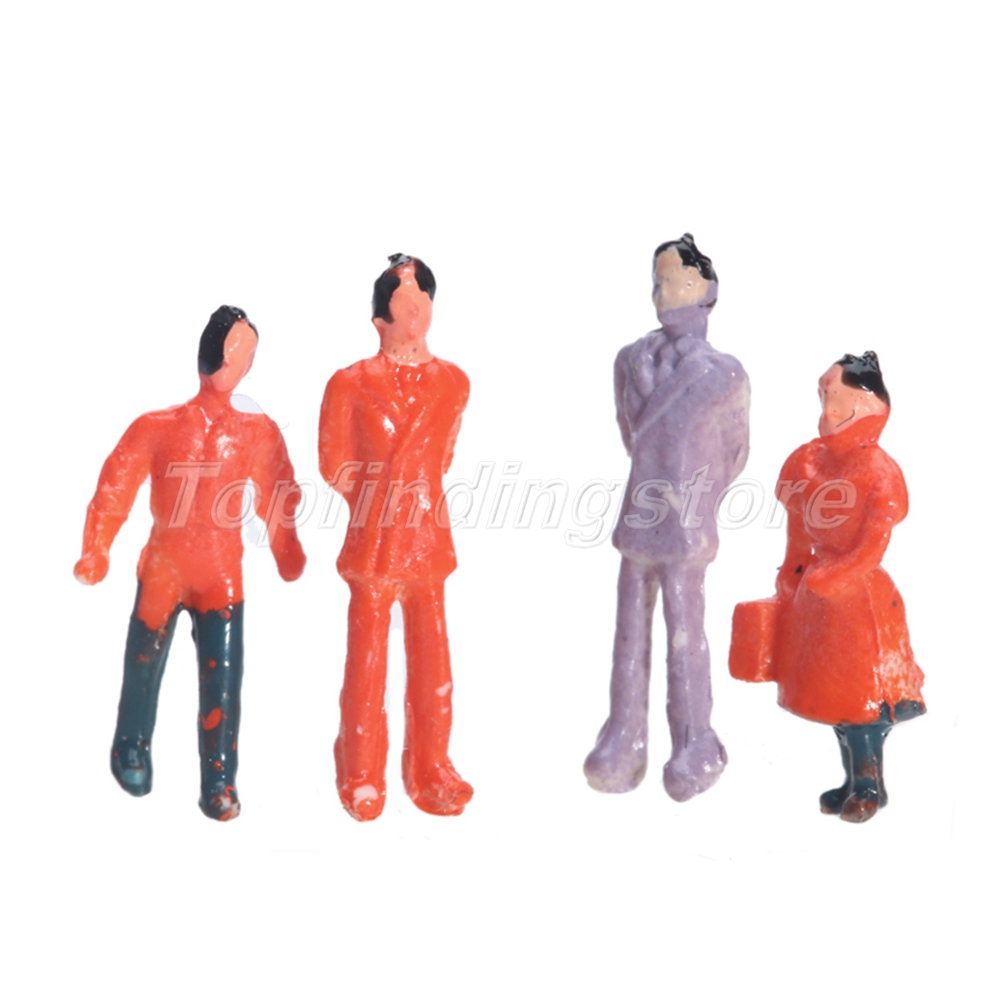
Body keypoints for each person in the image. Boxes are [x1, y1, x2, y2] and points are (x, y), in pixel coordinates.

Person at [75, 305, 306, 820]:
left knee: (222, 680)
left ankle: (218, 778)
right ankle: (130, 746)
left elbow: (278, 493)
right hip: (164, 567)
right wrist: (96, 548)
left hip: (220, 575)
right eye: (235, 351)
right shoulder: (157, 427)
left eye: (246, 355)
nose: (238, 363)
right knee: (142, 663)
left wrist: (286, 548)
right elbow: (115, 486)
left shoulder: (257, 432)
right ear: (211, 354)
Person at [585, 235, 750, 801]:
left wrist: (696, 499)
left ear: (706, 290)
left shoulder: (723, 374)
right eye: (659, 279)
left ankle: (695, 738)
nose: (664, 289)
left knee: (686, 633)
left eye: (677, 278)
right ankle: (623, 733)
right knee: (629, 631)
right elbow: (631, 434)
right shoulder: (631, 360)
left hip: (685, 521)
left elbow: (735, 451)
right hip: (641, 512)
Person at [730, 352, 925, 823]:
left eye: (840, 399)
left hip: (859, 600)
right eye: (826, 398)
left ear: (869, 403)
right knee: (834, 699)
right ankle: (854, 781)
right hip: (817, 595)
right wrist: (793, 571)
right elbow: (799, 527)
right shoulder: (808, 461)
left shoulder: (879, 470)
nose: (830, 410)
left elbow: (873, 544)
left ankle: (869, 785)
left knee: (862, 701)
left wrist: (838, 575)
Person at [319, 254, 473, 821]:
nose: (413, 313)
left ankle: (431, 765)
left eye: (421, 300)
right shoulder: (350, 383)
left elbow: (444, 456)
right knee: (366, 661)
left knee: (434, 660)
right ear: (379, 317)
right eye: (402, 302)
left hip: (427, 537)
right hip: (376, 540)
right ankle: (361, 771)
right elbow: (334, 465)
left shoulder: (454, 382)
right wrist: (380, 501)